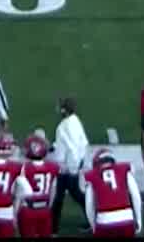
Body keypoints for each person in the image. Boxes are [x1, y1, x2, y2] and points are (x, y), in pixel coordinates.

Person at [51, 97, 89, 235]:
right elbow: (82, 143)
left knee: (59, 196)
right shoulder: (75, 121)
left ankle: (53, 228)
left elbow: (71, 147)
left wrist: (71, 168)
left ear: (64, 110)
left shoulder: (63, 126)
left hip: (66, 168)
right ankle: (91, 217)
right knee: (75, 193)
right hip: (72, 165)